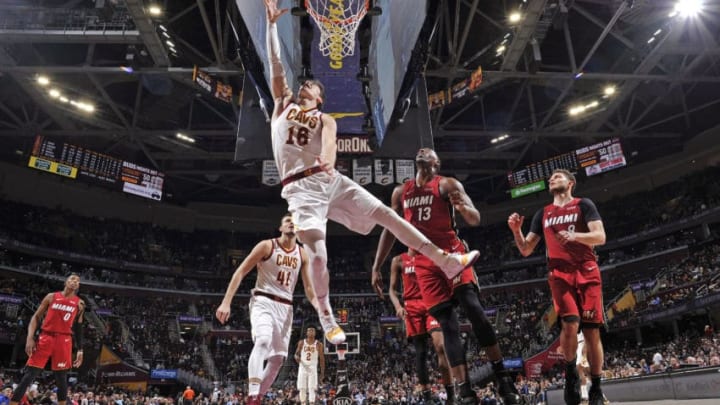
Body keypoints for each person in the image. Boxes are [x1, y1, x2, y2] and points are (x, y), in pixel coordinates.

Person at [263, 0, 479, 345]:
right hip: (300, 190)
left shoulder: (325, 119)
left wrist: (330, 162)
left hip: (329, 179)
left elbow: (331, 144)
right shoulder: (282, 105)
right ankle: (326, 316)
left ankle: (445, 261)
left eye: (311, 86)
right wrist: (272, 26)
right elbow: (274, 64)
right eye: (303, 84)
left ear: (320, 98)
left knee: (386, 213)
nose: (305, 85)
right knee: (317, 253)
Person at [371, 148, 520, 405]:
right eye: (419, 151)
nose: (422, 151)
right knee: (448, 325)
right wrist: (376, 266)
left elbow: (475, 218)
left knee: (474, 310)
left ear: (436, 163)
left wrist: (463, 208)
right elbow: (389, 229)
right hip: (424, 265)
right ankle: (464, 391)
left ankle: (501, 375)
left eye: (428, 152)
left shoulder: (448, 184)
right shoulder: (401, 192)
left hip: (452, 254)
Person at [507, 169, 607, 405]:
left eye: (557, 177)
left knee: (592, 332)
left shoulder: (584, 204)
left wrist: (575, 237)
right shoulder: (543, 213)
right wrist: (516, 231)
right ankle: (571, 371)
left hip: (586, 269)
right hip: (560, 274)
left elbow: (600, 236)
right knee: (569, 324)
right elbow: (525, 249)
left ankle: (596, 386)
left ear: (571, 183)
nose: (552, 179)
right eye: (550, 178)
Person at [216, 214, 315, 405]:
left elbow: (309, 287)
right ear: (280, 228)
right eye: (287, 220)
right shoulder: (266, 246)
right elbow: (241, 271)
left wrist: (320, 307)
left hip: (286, 307)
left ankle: (257, 397)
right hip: (263, 299)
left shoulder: (302, 253)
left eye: (295, 221)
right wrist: (226, 301)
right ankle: (253, 395)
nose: (291, 222)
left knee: (278, 358)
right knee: (262, 341)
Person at [10, 274, 85, 405]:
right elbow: (36, 317)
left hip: (64, 339)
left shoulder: (80, 303)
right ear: (66, 282)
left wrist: (80, 349)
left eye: (78, 281)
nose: (75, 282)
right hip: (46, 337)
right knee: (29, 376)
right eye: (72, 279)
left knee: (61, 378)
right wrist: (30, 337)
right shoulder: (51, 297)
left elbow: (79, 328)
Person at [388, 253, 453, 404]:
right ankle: (427, 397)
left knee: (441, 346)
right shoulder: (398, 260)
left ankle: (451, 395)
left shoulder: (430, 254)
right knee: (421, 352)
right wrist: (398, 306)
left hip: (431, 302)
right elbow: (391, 290)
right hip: (412, 307)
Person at [294, 327, 325, 405]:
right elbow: (296, 354)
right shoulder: (301, 342)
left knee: (312, 388)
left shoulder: (319, 344)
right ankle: (303, 403)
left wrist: (322, 373)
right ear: (306, 333)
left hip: (313, 367)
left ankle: (312, 403)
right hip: (303, 366)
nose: (311, 332)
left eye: (312, 331)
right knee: (302, 388)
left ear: (315, 333)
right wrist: (296, 357)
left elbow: (322, 359)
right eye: (309, 330)